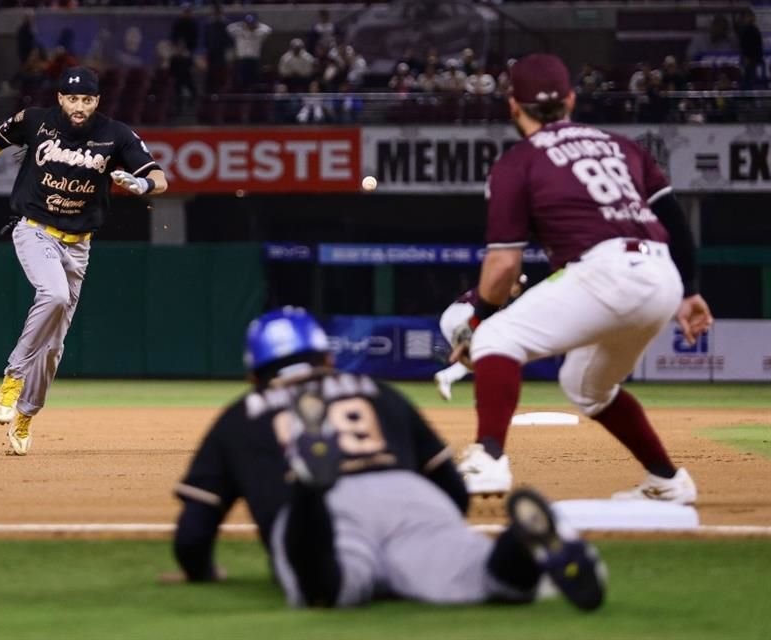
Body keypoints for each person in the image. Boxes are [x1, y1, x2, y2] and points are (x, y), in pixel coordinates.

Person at [171, 307, 606, 611]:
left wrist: (201, 571)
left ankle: (309, 483)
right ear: (327, 358)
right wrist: (435, 525)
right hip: (408, 497)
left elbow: (193, 535)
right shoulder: (375, 390)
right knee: (487, 579)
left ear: (253, 375)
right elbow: (453, 490)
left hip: (329, 512)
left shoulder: (239, 416)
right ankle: (522, 545)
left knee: (327, 586)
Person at [448, 53, 713, 503]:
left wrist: (476, 323)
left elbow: (503, 266)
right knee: (586, 386)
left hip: (605, 270)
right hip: (660, 275)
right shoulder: (623, 146)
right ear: (570, 100)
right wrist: (687, 293)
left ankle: (488, 458)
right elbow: (676, 223)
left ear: (513, 106)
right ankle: (668, 479)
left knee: (496, 339)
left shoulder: (519, 162)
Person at [0, 67, 168, 455]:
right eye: (73, 98)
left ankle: (25, 415)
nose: (79, 106)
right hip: (34, 229)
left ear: (97, 102)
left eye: (87, 99)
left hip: (79, 246)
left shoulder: (114, 133)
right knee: (52, 295)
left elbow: (159, 175)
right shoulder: (36, 120)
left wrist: (144, 184)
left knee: (54, 349)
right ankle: (13, 375)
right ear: (60, 98)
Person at [434, 275, 526, 401]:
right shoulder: (500, 292)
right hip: (465, 314)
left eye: (520, 286)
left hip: (449, 317)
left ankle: (447, 377)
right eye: (516, 284)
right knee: (487, 353)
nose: (517, 289)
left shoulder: (494, 287)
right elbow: (484, 316)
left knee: (475, 360)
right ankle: (485, 395)